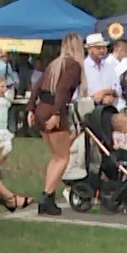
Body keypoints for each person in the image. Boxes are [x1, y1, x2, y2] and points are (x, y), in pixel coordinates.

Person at [31, 34, 86, 216]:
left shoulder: (55, 64)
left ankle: (48, 196)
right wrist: (56, 113)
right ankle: (47, 196)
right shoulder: (73, 66)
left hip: (41, 109)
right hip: (54, 110)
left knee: (56, 157)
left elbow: (36, 86)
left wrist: (31, 108)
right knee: (63, 157)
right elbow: (62, 91)